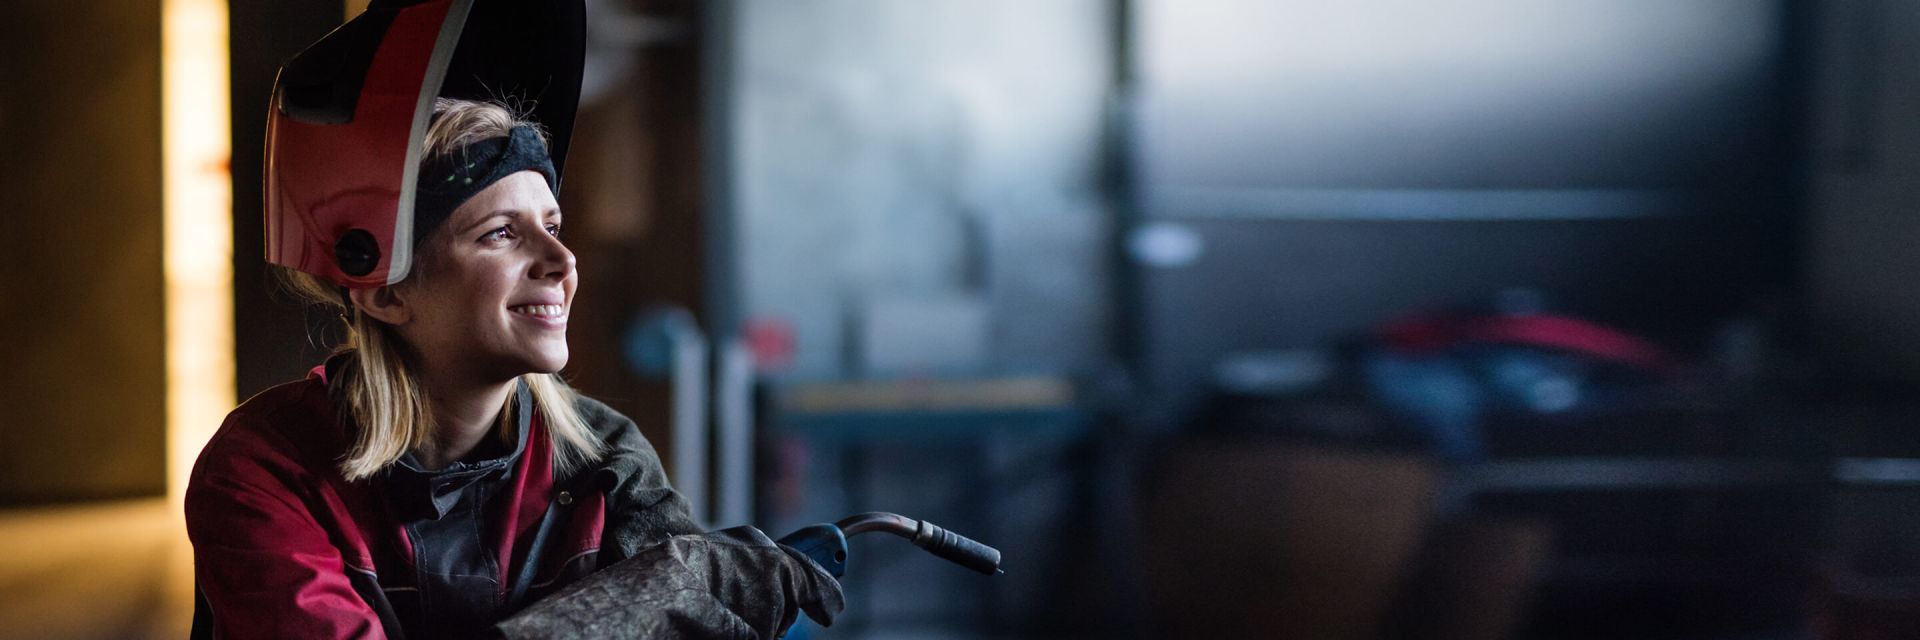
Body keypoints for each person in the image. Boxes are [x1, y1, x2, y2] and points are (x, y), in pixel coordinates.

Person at [185, 2, 840, 638]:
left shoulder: (603, 458)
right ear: (384, 294)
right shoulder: (263, 470)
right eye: (501, 233)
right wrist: (620, 613)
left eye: (552, 226)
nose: (560, 259)